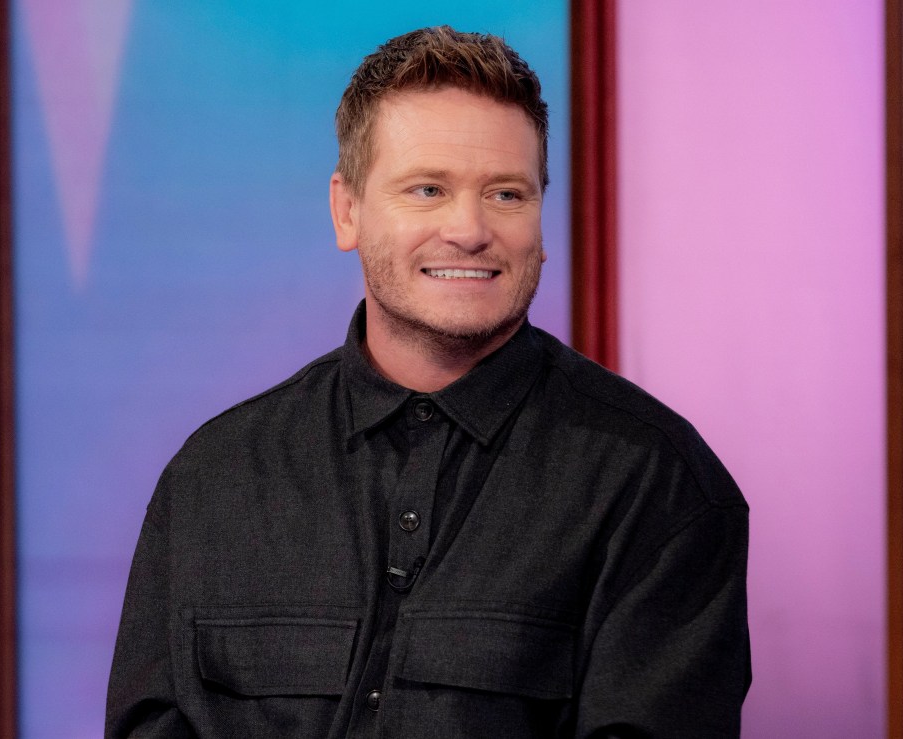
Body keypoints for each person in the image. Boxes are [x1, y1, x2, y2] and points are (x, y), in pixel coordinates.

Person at [106, 26, 750, 739]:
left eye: (507, 194)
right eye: (427, 189)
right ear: (346, 210)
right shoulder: (212, 479)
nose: (469, 229)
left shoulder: (657, 484)